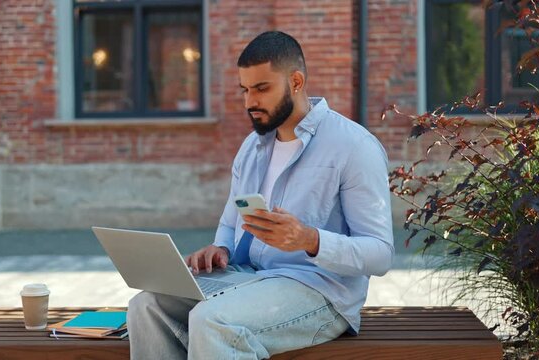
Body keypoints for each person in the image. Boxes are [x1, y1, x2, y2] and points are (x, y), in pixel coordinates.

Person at [127, 30, 394, 360]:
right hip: (248, 279)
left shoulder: (354, 146)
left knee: (212, 321)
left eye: (262, 88)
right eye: (245, 89)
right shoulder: (252, 148)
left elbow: (380, 254)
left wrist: (310, 240)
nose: (249, 101)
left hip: (320, 291)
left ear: (295, 82)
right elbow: (229, 224)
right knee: (147, 304)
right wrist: (219, 248)